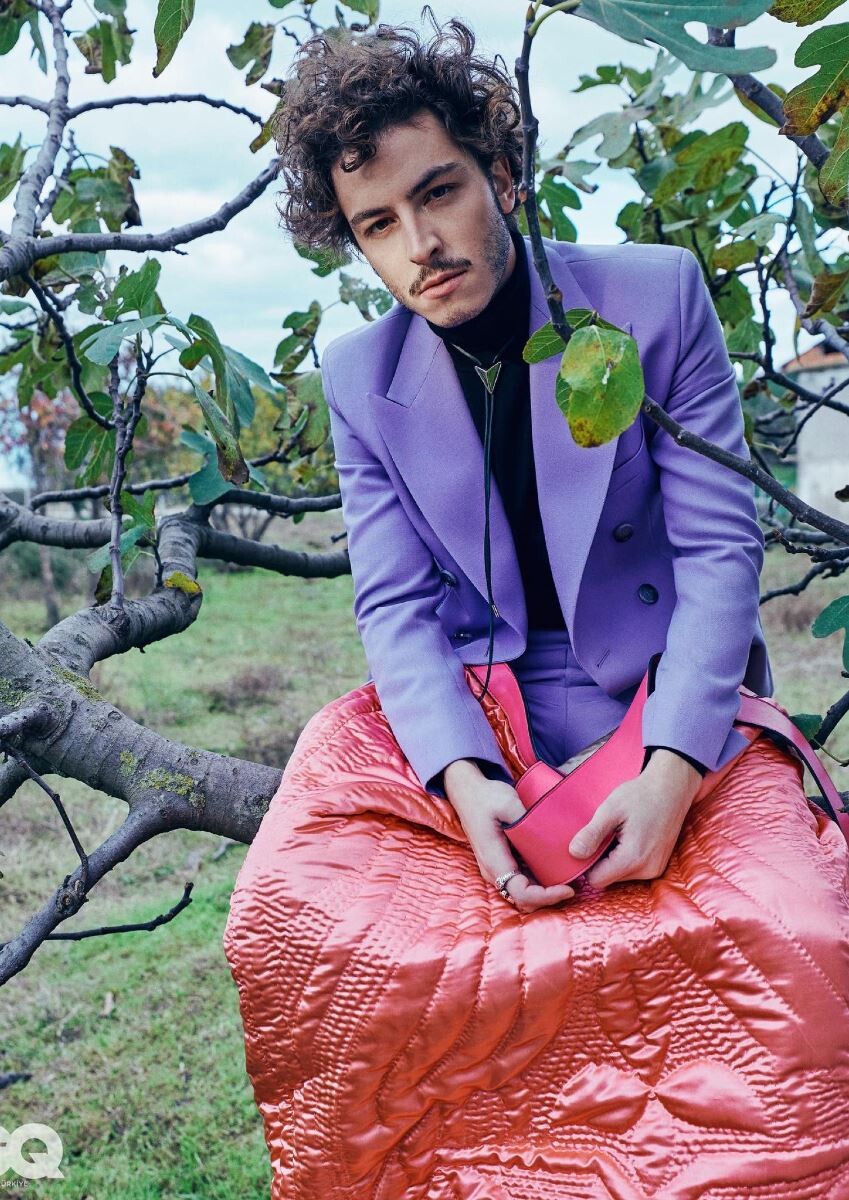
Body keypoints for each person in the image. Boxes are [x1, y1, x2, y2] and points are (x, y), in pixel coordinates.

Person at [224, 14, 849, 1199]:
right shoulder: (358, 377)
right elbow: (395, 604)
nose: (421, 245)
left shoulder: (654, 298)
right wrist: (463, 780)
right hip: (483, 712)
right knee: (307, 927)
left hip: (669, 690)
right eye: (377, 225)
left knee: (799, 941)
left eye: (439, 192)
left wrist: (673, 770)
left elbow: (720, 552)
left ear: (501, 174)